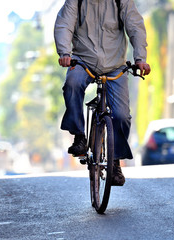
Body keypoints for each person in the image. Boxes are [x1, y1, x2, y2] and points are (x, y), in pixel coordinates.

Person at [54, 0, 151, 186]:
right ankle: (79, 136)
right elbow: (64, 24)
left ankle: (115, 162)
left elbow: (135, 26)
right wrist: (64, 53)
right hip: (83, 60)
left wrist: (140, 58)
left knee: (121, 116)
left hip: (115, 65)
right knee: (72, 84)